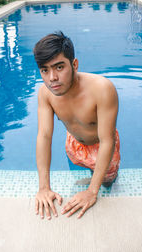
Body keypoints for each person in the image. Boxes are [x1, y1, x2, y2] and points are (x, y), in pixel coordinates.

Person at [33, 31, 120, 220]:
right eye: (45, 70)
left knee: (108, 183)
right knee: (76, 172)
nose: (52, 78)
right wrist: (44, 188)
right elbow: (44, 136)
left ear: (74, 64)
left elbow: (107, 140)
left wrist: (92, 191)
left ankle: (103, 183)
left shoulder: (102, 89)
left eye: (59, 67)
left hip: (102, 145)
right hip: (74, 144)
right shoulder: (45, 94)